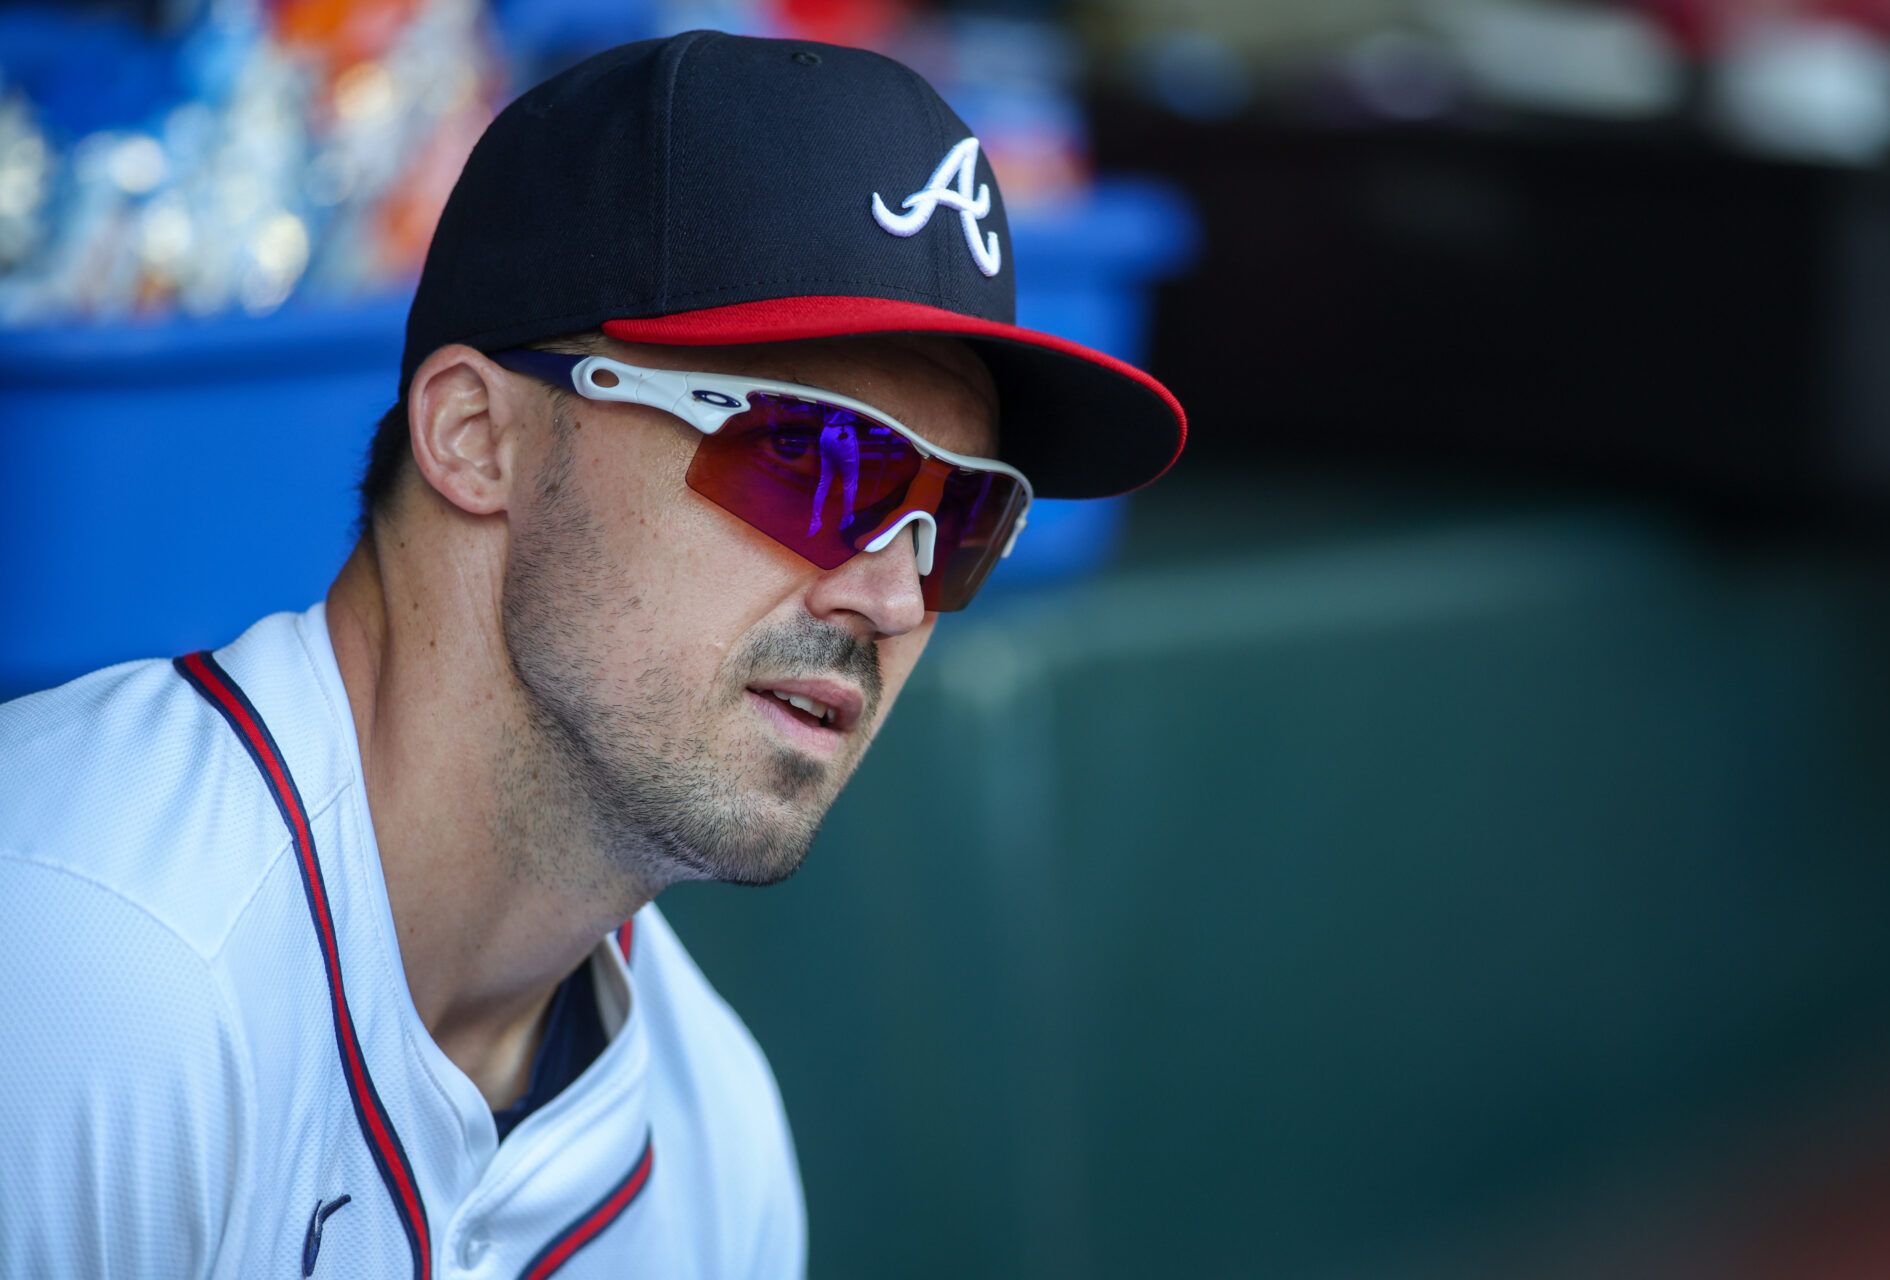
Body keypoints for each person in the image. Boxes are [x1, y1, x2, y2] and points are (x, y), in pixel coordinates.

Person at [0, 30, 1185, 1278]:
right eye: (809, 459)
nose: (894, 592)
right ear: (474, 436)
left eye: (961, 515)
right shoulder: (81, 967)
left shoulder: (714, 1134)